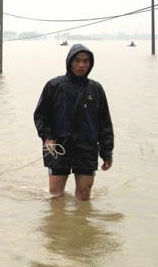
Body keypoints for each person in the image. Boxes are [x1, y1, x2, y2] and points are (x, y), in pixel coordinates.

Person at [33, 44, 114, 201]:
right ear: (69, 62)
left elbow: (105, 123)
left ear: (90, 64)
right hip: (58, 146)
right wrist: (47, 137)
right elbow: (40, 115)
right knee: (55, 195)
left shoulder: (96, 89)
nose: (81, 65)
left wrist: (107, 152)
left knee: (84, 196)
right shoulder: (54, 86)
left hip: (87, 147)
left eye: (85, 61)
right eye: (77, 60)